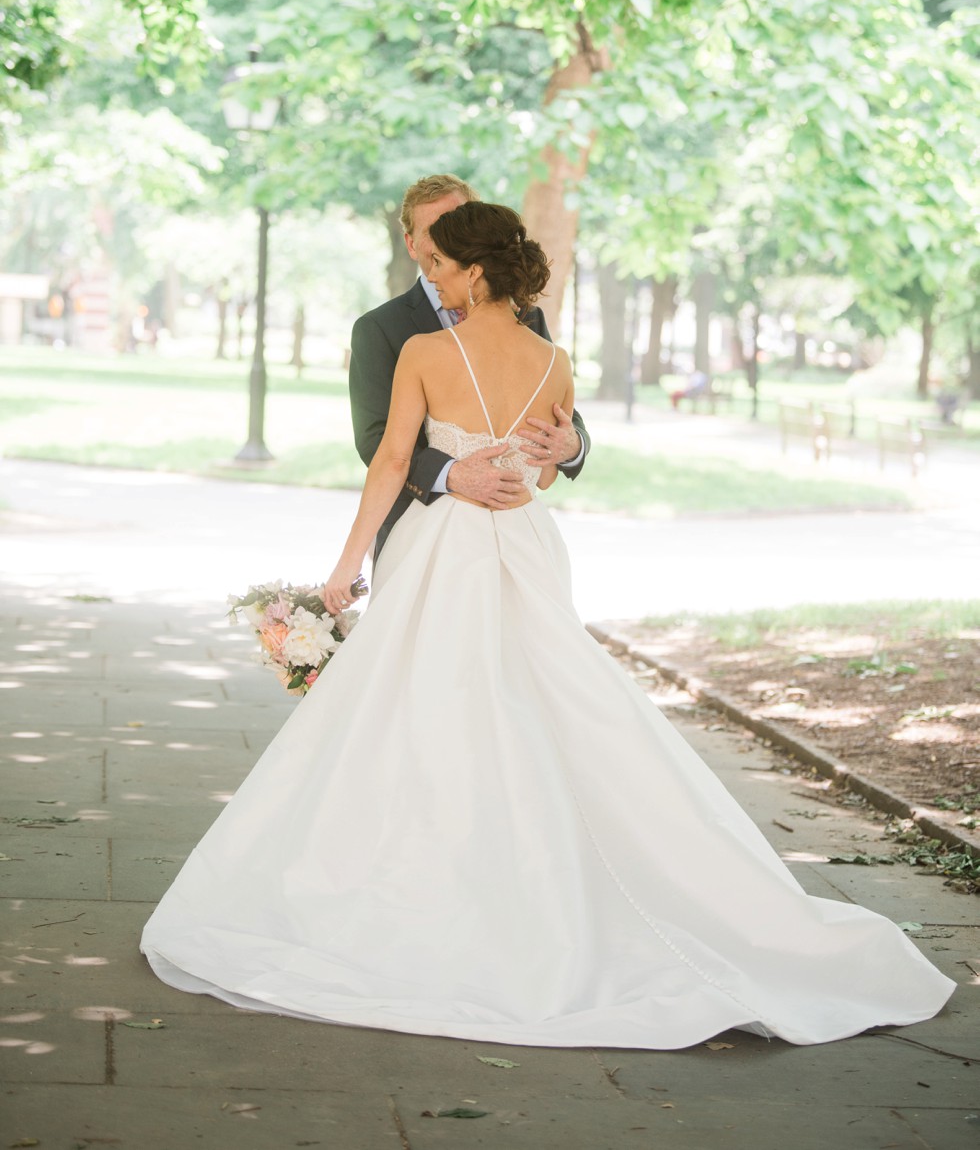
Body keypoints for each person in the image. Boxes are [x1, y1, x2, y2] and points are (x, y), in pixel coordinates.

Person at [141, 204, 954, 1050]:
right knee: (543, 694)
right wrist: (548, 454)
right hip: (526, 540)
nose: (439, 281)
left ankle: (435, 881)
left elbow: (390, 461)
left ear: (478, 273)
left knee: (426, 703)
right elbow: (550, 467)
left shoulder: (426, 351)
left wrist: (345, 566)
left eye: (449, 269)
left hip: (443, 546)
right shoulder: (553, 359)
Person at [348, 173, 590, 556]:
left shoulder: (530, 319)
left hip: (518, 535)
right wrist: (453, 475)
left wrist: (571, 445)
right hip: (420, 536)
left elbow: (559, 418)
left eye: (459, 223)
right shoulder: (380, 329)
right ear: (411, 244)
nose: (450, 238)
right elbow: (377, 442)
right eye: (435, 231)